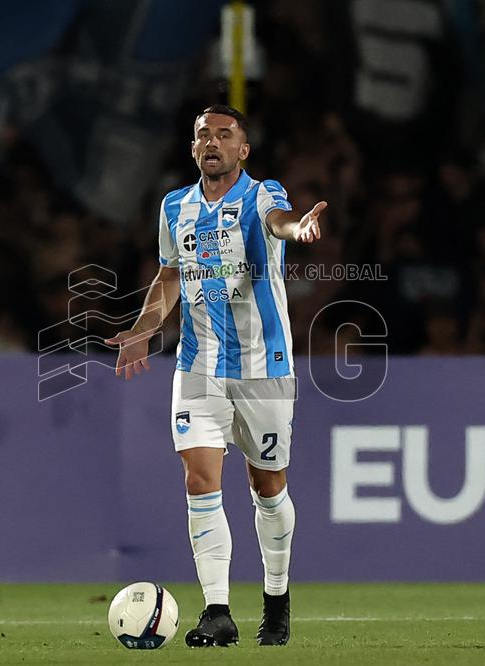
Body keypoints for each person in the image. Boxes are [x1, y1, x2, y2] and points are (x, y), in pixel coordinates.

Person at [105, 105, 325, 647]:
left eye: (225, 135)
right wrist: (142, 329)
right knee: (200, 481)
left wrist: (299, 228)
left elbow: (280, 221)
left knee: (267, 487)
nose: (213, 142)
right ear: (193, 146)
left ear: (242, 150)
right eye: (203, 133)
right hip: (197, 366)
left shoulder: (262, 194)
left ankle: (276, 599)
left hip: (264, 367)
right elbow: (169, 276)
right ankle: (218, 611)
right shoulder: (174, 206)